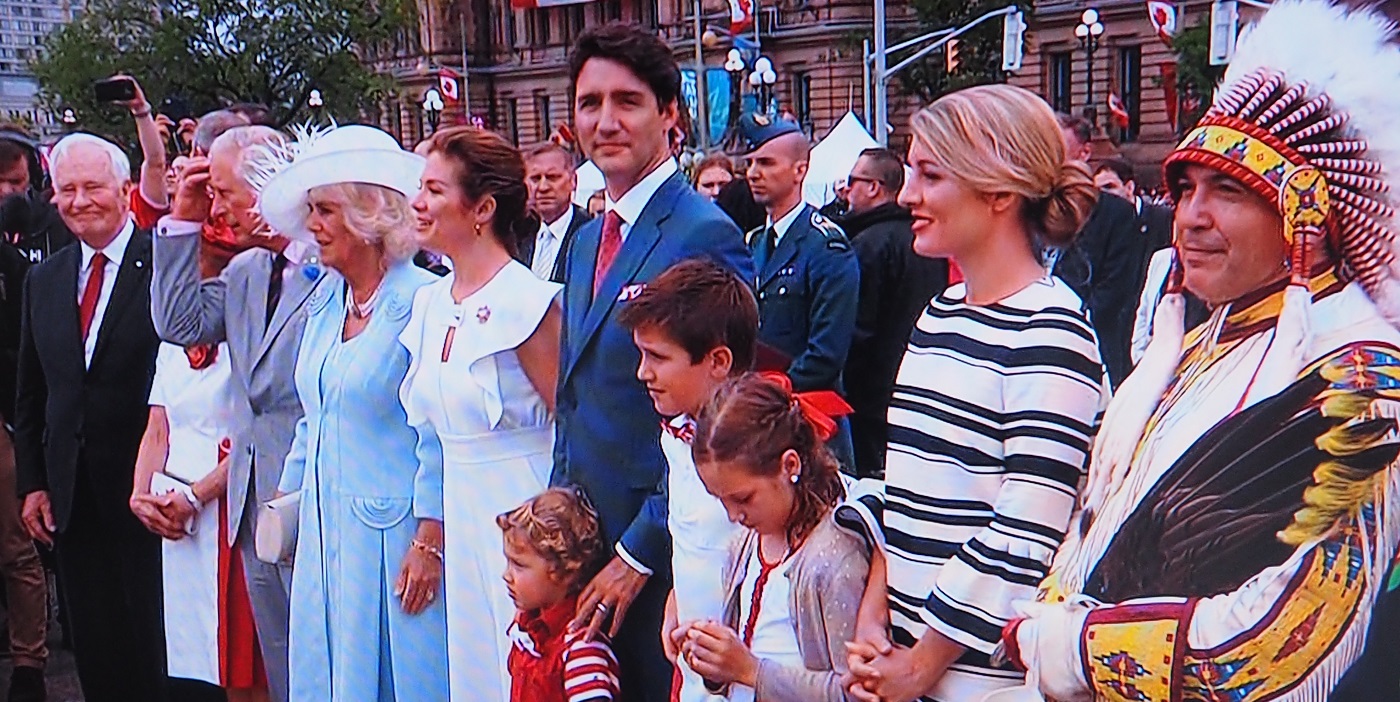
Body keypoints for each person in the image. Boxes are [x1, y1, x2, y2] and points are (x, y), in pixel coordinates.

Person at [1003, 3, 1400, 699]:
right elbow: (1105, 523)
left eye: (1229, 191)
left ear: (1307, 217)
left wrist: (1065, 645)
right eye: (1185, 189)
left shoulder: (1364, 384)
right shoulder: (1204, 341)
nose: (1190, 216)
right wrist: (1051, 611)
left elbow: (1279, 639)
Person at [839, 85, 1103, 702]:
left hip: (987, 682)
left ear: (1000, 193)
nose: (907, 195)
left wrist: (922, 661)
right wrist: (876, 615)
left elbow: (1026, 528)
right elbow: (908, 493)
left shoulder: (1052, 329)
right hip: (911, 661)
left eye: (930, 175)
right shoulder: (941, 311)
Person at [551, 23, 753, 702]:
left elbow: (728, 416)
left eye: (627, 101)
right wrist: (558, 514)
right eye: (589, 103)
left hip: (664, 559)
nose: (604, 121)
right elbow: (572, 390)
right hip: (586, 543)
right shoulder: (584, 241)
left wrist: (640, 551)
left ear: (669, 114)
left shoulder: (703, 232)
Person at [256, 124, 446, 701]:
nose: (312, 226)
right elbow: (310, 417)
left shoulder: (422, 301)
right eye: (311, 210)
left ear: (370, 214)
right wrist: (282, 507)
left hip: (394, 541)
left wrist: (429, 538)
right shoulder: (325, 302)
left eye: (326, 210)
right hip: (322, 532)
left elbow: (434, 429)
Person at [152, 124, 324, 702]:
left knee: (325, 656)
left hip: (317, 494)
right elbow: (178, 324)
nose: (218, 208)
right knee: (281, 663)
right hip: (251, 501)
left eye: (226, 194)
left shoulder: (335, 265)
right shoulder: (248, 269)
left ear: (271, 184)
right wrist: (181, 216)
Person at [400, 125, 561, 702]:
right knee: (471, 668)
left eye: (435, 191)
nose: (418, 203)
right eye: (420, 187)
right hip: (461, 513)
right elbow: (431, 439)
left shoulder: (527, 301)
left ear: (482, 208)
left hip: (521, 507)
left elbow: (566, 423)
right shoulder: (428, 302)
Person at [14, 133, 167, 702]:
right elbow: (31, 395)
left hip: (147, 492)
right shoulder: (45, 280)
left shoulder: (163, 264)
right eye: (66, 189)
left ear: (125, 190)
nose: (78, 201)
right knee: (96, 651)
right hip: (70, 497)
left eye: (92, 187)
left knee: (156, 648)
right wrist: (32, 482)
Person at [131, 223, 267, 702]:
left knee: (248, 659)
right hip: (179, 514)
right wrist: (141, 494)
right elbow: (158, 425)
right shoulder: (174, 339)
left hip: (230, 504)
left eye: (215, 260)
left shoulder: (251, 336)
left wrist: (195, 496)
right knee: (209, 659)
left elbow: (257, 438)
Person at [615, 258, 758, 702]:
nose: (643, 372)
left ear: (717, 361)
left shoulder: (762, 452)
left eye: (657, 357)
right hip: (696, 652)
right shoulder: (677, 434)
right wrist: (680, 594)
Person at [680, 372, 866, 702]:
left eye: (743, 498)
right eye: (720, 500)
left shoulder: (835, 560)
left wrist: (750, 670)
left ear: (789, 465)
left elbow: (857, 692)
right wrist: (713, 661)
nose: (733, 516)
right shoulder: (745, 545)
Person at [836, 147, 950, 478]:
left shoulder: (869, 243)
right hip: (919, 384)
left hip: (873, 394)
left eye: (853, 181)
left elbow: (858, 328)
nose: (846, 189)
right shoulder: (922, 240)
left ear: (874, 187)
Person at [740, 114, 859, 397]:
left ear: (799, 171)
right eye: (750, 163)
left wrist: (769, 390)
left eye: (766, 163)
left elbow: (826, 355)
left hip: (806, 412)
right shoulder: (754, 241)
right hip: (757, 411)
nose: (753, 173)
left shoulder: (827, 247)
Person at [500, 488, 622, 702]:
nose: (506, 575)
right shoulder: (526, 633)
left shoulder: (581, 650)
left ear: (562, 571)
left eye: (519, 565)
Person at [1051, 113, 1140, 388]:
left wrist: (1062, 328)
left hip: (1091, 353)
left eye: (1057, 147)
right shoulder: (1024, 207)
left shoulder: (1117, 214)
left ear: (1084, 152)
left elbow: (1115, 292)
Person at [521, 142, 591, 282]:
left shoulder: (590, 234)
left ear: (573, 181)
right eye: (535, 179)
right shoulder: (519, 236)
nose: (543, 187)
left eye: (552, 177)